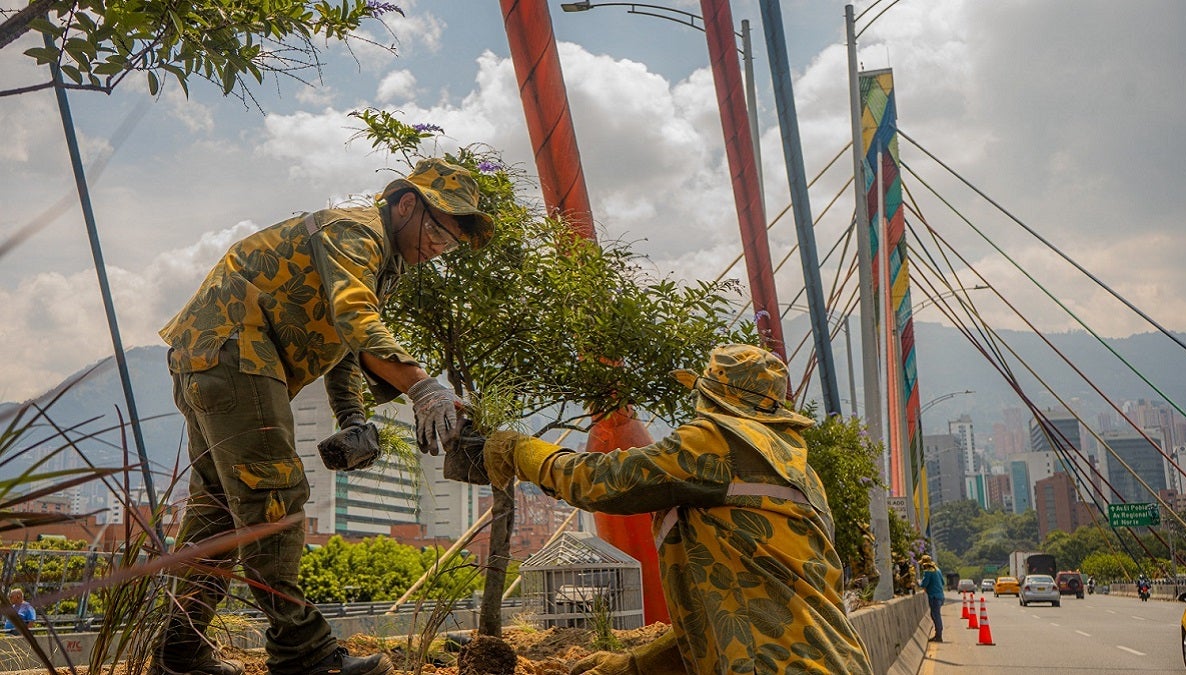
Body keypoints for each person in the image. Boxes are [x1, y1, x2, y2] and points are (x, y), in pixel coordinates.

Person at [154, 158, 494, 675]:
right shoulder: (356, 232)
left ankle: (178, 654)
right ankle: (305, 655)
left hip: (215, 355)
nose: (436, 249)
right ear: (407, 204)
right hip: (232, 347)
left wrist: (353, 419)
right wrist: (423, 387)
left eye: (447, 245)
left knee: (218, 512)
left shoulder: (385, 262)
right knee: (274, 494)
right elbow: (353, 315)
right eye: (438, 232)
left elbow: (346, 345)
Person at [483, 344, 872, 674]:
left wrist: (521, 452)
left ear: (709, 397)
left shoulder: (717, 440)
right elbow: (734, 614)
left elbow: (605, 481)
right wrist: (637, 663)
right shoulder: (800, 472)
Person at [918, 554, 945, 643]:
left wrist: (918, 582)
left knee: (935, 615)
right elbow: (942, 582)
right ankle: (938, 634)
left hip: (933, 597)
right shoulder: (938, 570)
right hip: (940, 596)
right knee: (936, 615)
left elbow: (924, 584)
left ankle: (938, 636)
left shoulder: (928, 572)